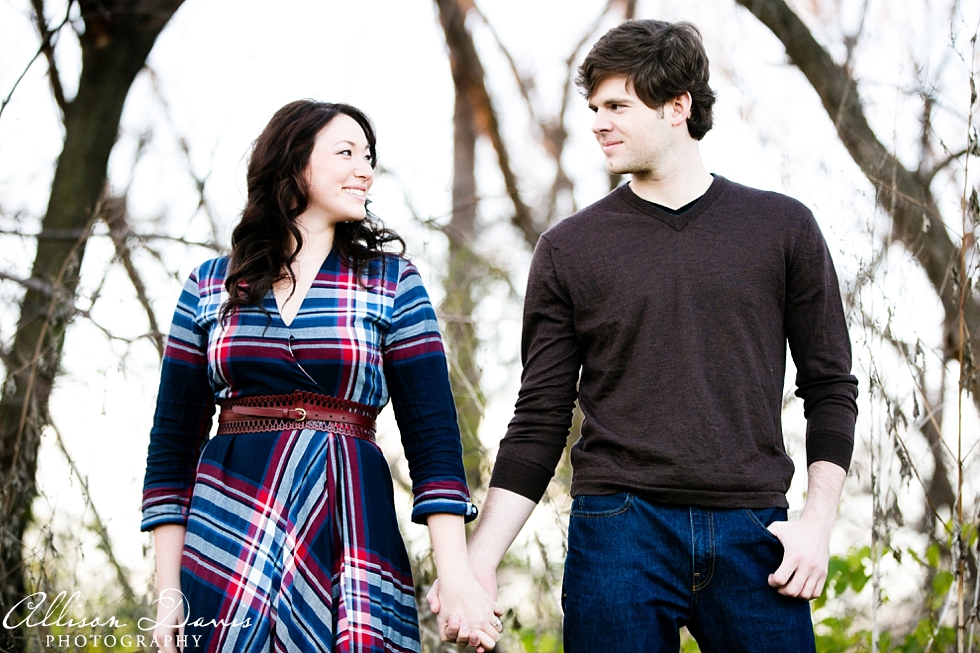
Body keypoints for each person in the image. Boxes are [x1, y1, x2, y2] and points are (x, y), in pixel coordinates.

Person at [429, 19, 858, 653]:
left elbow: (830, 387)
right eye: (594, 107)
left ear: (678, 106)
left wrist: (818, 524)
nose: (598, 122)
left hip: (756, 529)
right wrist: (478, 561)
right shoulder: (568, 249)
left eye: (617, 106)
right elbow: (540, 416)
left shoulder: (782, 228)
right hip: (618, 531)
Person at [141, 100, 503, 653]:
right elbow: (170, 451)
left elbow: (433, 440)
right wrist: (169, 599)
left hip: (351, 525)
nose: (366, 169)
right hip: (228, 531)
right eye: (346, 153)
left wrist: (455, 574)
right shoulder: (209, 285)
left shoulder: (392, 283)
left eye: (369, 156)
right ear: (293, 163)